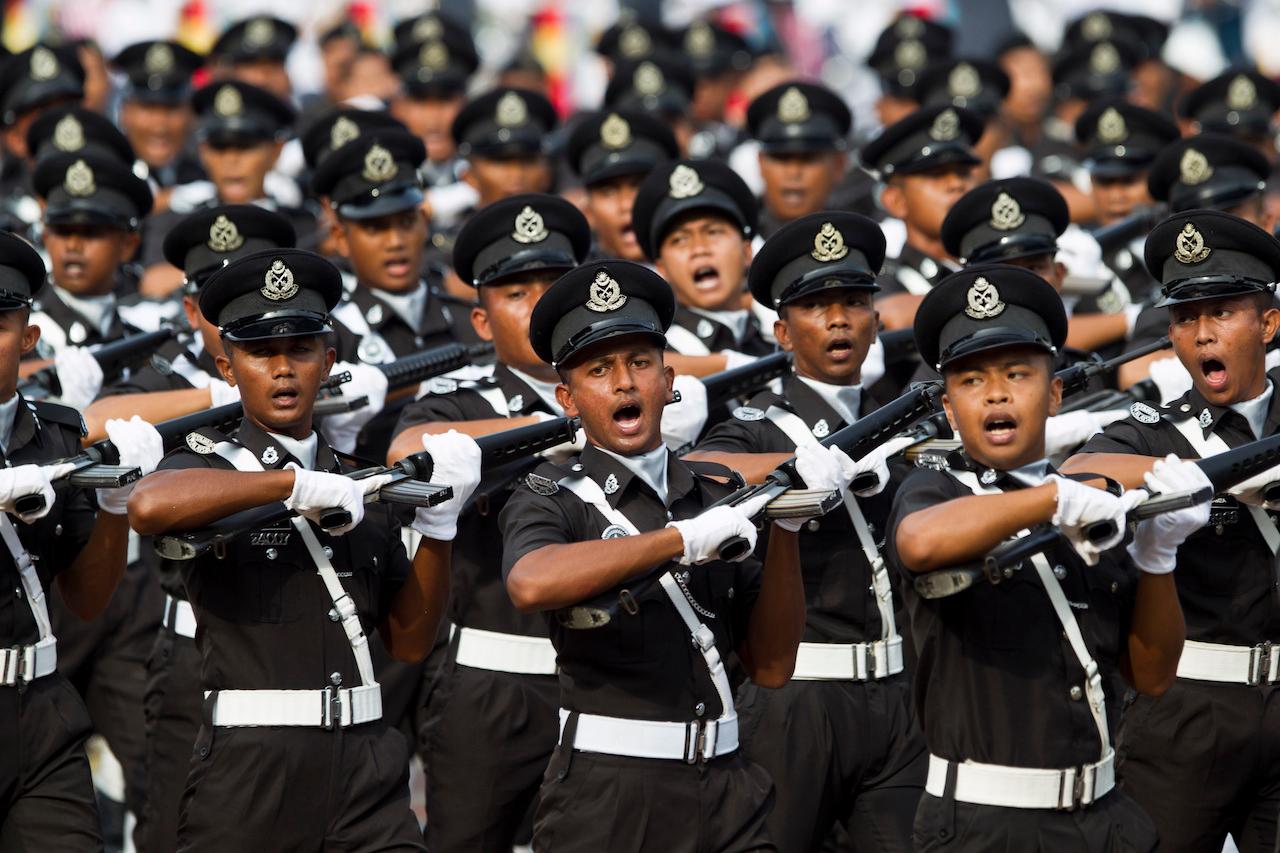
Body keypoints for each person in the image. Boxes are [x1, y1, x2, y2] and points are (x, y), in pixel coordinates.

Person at [127, 247, 482, 851]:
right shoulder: (209, 466)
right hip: (255, 766)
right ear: (228, 367)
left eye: (300, 350)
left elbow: (409, 640)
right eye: (261, 352)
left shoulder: (358, 481)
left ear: (330, 360)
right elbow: (149, 505)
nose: (283, 368)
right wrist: (289, 484)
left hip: (368, 763)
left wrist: (441, 531)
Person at [501, 258, 857, 851]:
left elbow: (770, 667)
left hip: (730, 782)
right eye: (599, 370)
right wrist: (678, 540)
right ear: (568, 397)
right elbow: (530, 583)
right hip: (611, 792)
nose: (623, 383)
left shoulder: (714, 492)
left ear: (669, 383)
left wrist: (788, 531)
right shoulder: (551, 497)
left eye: (640, 363)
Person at [889, 262, 1207, 848]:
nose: (997, 393)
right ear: (949, 406)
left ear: (1055, 391)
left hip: (1106, 815)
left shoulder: (1091, 506)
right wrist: (1055, 496)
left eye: (1017, 373)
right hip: (986, 823)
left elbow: (1152, 675)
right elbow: (921, 541)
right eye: (971, 381)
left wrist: (1160, 558)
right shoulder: (935, 491)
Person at [688, 211, 927, 851]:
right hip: (798, 697)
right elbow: (701, 471)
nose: (841, 318)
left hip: (900, 695)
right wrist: (798, 471)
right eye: (817, 306)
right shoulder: (758, 424)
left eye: (854, 302)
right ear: (781, 331)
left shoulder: (897, 417)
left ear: (877, 321)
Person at [1063, 210, 1280, 852]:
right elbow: (1080, 471)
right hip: (1188, 705)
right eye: (1186, 319)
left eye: (1222, 313)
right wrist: (1221, 476)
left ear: (1268, 323)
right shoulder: (1156, 429)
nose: (1202, 334)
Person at [80, 204, 295, 853]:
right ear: (190, 305)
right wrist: (220, 395)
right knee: (176, 819)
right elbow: (94, 420)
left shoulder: (302, 365)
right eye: (216, 298)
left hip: (304, 631)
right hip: (194, 643)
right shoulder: (172, 377)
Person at [388, 192, 589, 852]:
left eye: (554, 287)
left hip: (607, 676)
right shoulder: (459, 401)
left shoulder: (629, 396)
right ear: (480, 318)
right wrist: (559, 426)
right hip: (489, 685)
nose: (537, 305)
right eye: (514, 292)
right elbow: (407, 453)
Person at [0, 229, 159, 852]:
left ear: (29, 337)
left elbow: (88, 599)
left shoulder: (58, 437)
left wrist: (116, 503)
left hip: (40, 707)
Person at [310, 127, 469, 458]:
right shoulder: (330, 336)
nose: (395, 241)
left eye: (406, 222)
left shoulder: (466, 318)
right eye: (375, 228)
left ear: (425, 222)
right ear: (340, 236)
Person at [28, 149, 154, 409]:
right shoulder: (18, 335)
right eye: (62, 232)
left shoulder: (142, 343)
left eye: (91, 233)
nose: (73, 245)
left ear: (128, 245)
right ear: (46, 236)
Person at [631, 158, 773, 369]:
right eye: (680, 240)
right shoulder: (657, 356)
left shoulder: (774, 335)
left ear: (747, 251)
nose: (699, 249)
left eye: (713, 232)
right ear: (662, 268)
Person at [861, 104, 983, 329]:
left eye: (963, 173)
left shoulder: (994, 263)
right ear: (896, 200)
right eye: (936, 175)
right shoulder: (883, 283)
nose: (956, 184)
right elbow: (892, 315)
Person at [1073, 97, 1179, 303]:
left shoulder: (1183, 243)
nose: (1116, 196)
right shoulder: (1078, 254)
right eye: (1105, 182)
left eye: (1129, 181)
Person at [565, 109, 678, 263]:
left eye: (639, 186)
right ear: (588, 210)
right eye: (608, 192)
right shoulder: (575, 285)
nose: (627, 204)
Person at [745, 81, 853, 239]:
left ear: (839, 164)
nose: (793, 172)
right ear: (760, 163)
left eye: (809, 159)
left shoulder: (863, 242)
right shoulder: (736, 241)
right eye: (781, 158)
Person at [109, 41, 207, 193]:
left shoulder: (206, 181)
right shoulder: (107, 181)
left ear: (191, 115)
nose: (159, 126)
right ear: (124, 112)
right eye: (147, 108)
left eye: (171, 109)